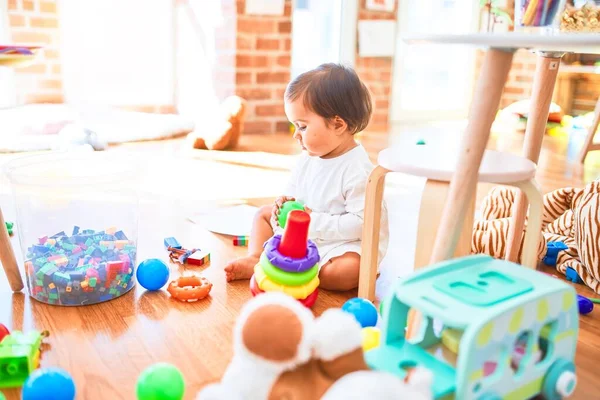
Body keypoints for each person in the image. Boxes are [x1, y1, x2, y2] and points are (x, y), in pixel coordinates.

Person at [224, 63, 388, 291]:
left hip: (341, 245)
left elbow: (361, 225)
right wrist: (284, 203)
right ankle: (256, 257)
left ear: (338, 124)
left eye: (301, 126)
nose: (295, 136)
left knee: (347, 271)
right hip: (305, 234)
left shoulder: (358, 170)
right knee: (263, 214)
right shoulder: (309, 157)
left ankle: (310, 271)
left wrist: (314, 222)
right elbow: (294, 192)